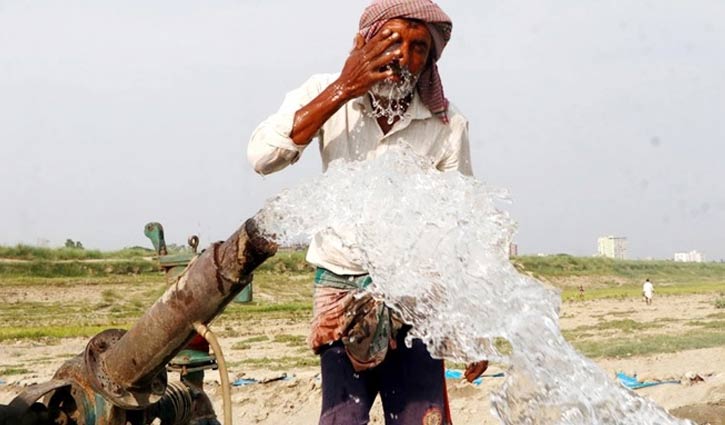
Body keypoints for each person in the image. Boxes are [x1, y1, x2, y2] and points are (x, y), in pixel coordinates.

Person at [248, 1, 487, 423]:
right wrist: (345, 87)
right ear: (364, 42)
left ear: (429, 59)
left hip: (416, 299)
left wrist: (471, 326)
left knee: (422, 417)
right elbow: (263, 156)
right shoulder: (326, 91)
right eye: (391, 40)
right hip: (341, 292)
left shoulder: (447, 125)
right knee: (343, 418)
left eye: (418, 48)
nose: (403, 57)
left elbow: (460, 228)